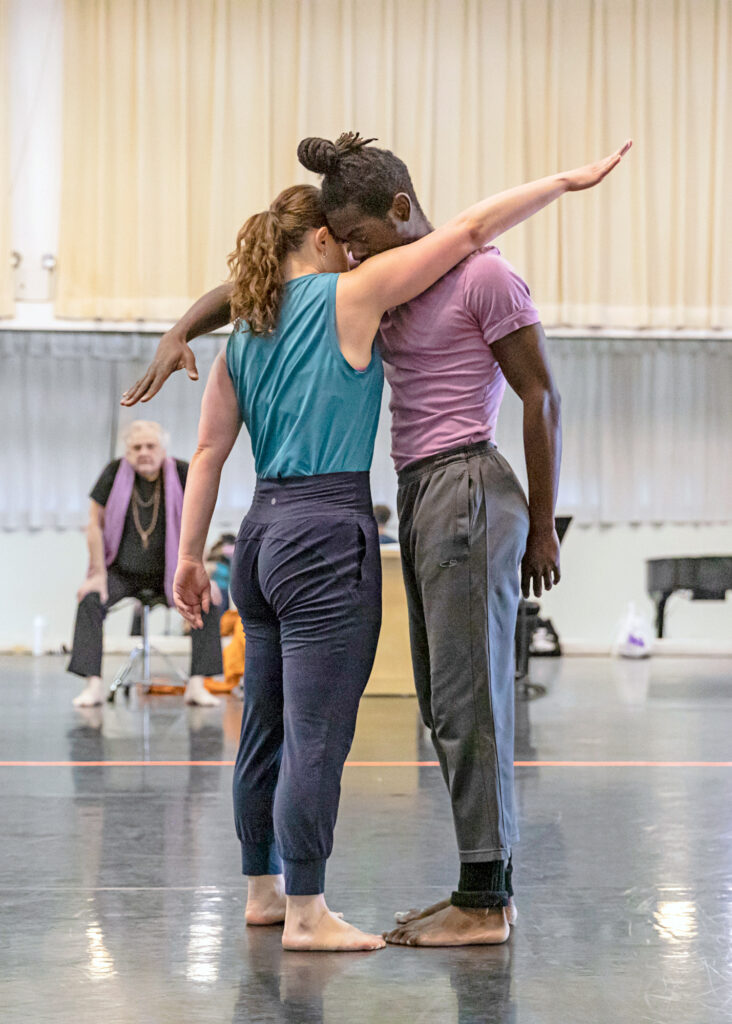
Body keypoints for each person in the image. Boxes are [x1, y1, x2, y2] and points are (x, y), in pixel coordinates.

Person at [122, 136, 631, 950]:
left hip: (346, 510)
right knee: (378, 718)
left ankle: (430, 894)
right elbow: (448, 233)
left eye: (359, 237)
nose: (352, 251)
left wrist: (189, 554)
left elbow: (212, 449)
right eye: (341, 241)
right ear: (322, 241)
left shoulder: (274, 326)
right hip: (364, 511)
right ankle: (369, 904)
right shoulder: (361, 294)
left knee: (352, 718)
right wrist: (177, 325)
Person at [68, 420, 223, 707]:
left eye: (150, 446)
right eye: (136, 447)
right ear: (127, 452)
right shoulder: (114, 473)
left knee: (208, 600)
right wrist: (97, 575)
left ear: (163, 449)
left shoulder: (181, 472)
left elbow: (200, 521)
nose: (143, 452)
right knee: (89, 598)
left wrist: (199, 569)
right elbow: (94, 525)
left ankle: (198, 685)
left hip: (171, 573)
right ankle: (93, 686)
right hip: (122, 572)